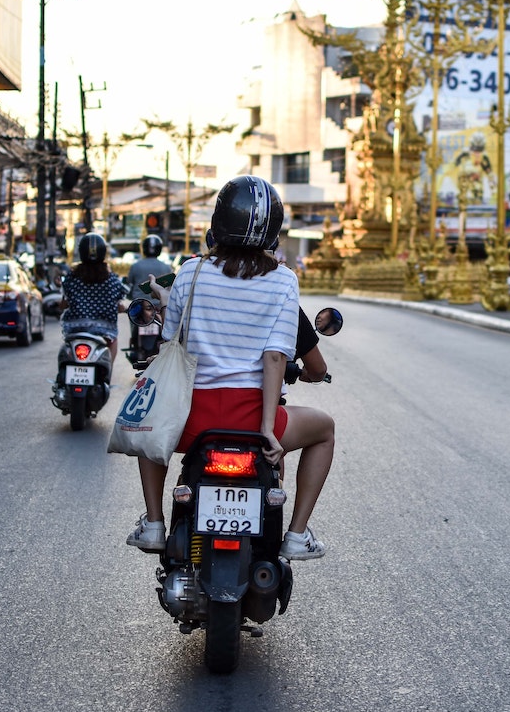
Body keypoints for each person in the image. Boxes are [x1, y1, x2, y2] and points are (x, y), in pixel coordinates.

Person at [127, 175, 335, 560]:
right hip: (255, 418)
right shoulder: (284, 281)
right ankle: (296, 535)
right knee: (325, 429)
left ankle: (154, 523)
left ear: (218, 222)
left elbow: (171, 344)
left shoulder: (190, 272)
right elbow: (275, 357)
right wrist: (265, 429)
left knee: (150, 426)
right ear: (273, 230)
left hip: (193, 421)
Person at [60, 232, 130, 344]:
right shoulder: (111, 279)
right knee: (113, 341)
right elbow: (118, 304)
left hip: (75, 329)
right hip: (105, 331)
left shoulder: (72, 277)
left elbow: (64, 304)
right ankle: (109, 362)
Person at [125, 234, 173, 306]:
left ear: (144, 248)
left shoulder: (135, 266)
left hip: (139, 305)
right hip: (159, 305)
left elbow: (129, 282)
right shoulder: (166, 267)